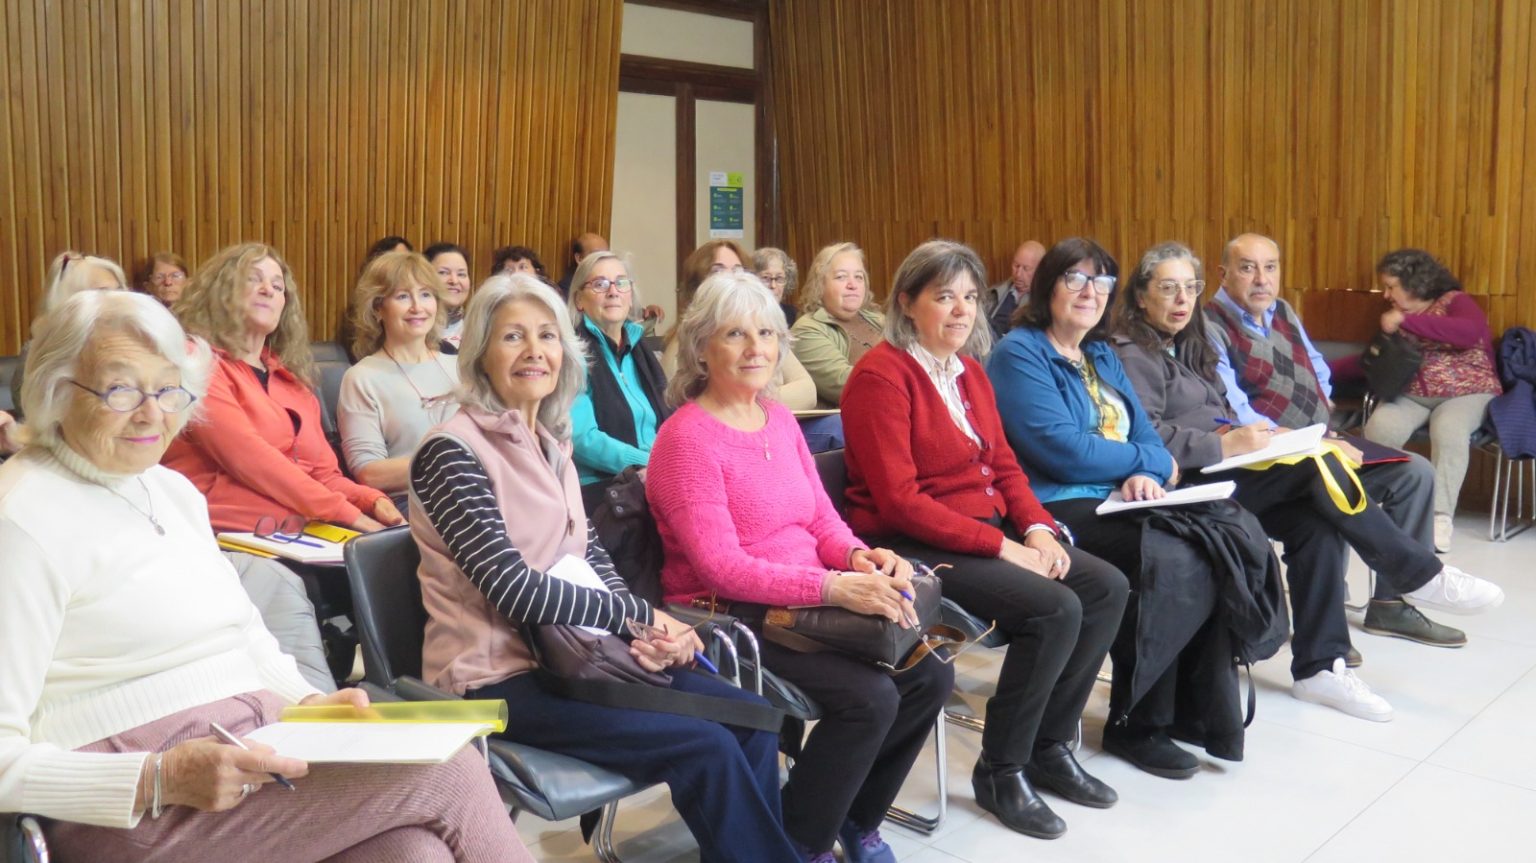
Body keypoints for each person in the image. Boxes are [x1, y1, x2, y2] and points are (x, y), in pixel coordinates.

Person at [1, 289, 531, 863]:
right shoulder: (22, 520)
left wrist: (306, 700)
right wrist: (155, 778)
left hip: (250, 750)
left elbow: (245, 636)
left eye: (168, 389)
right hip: (135, 800)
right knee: (449, 771)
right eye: (121, 388)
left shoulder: (171, 491)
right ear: (54, 391)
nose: (152, 413)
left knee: (412, 852)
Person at [408, 274, 796, 863]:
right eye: (513, 336)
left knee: (753, 716)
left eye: (547, 336)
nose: (535, 351)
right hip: (498, 679)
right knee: (707, 745)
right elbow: (514, 591)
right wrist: (638, 613)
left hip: (581, 653)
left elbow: (587, 556)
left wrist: (644, 632)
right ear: (481, 353)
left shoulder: (550, 444)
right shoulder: (449, 452)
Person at [1111, 242, 1503, 719]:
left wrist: (1263, 434)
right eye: (1168, 289)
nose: (1182, 299)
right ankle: (1415, 572)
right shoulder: (1133, 352)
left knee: (1313, 525)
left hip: (1230, 460)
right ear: (1140, 297)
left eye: (1189, 288)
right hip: (1190, 478)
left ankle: (1321, 667)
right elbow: (1145, 436)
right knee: (1317, 464)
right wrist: (1227, 443)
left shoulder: (1188, 341)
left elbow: (1228, 407)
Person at [649, 272, 952, 863]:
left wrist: (859, 555)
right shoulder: (686, 440)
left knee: (930, 677)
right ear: (701, 347)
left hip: (809, 602)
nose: (756, 348)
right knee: (869, 699)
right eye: (735, 334)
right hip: (727, 615)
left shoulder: (779, 420)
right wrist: (834, 586)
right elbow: (722, 568)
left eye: (766, 332)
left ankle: (853, 819)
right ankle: (798, 843)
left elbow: (820, 520)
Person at [842, 240, 1129, 839]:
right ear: (907, 303)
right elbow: (900, 502)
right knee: (1054, 609)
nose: (961, 311)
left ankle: (1049, 746)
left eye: (970, 297)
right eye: (943, 296)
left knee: (1106, 586)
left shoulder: (969, 370)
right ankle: (1002, 770)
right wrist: (1003, 546)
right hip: (911, 545)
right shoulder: (881, 376)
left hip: (983, 529)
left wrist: (1037, 528)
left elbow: (1003, 466)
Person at [988, 237, 1287, 778]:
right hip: (1058, 504)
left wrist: (1147, 469)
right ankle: (1135, 721)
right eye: (1075, 280)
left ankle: (1194, 717)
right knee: (1170, 559)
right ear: (1047, 286)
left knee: (1221, 541)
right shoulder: (1020, 352)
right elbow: (1060, 448)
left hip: (1118, 495)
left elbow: (1149, 435)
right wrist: (1138, 463)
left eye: (1101, 282)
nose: (1090, 292)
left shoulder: (1101, 352)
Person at [1206, 233, 1468, 640]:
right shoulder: (1208, 325)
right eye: (1247, 267)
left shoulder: (1284, 312)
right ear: (1222, 274)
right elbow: (1233, 408)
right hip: (1269, 457)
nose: (1261, 278)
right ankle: (1344, 625)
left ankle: (1390, 605)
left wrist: (1321, 421)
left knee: (1415, 472)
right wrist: (1311, 440)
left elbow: (1317, 368)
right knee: (1327, 497)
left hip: (1317, 440)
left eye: (1270, 267)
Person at [162, 242, 401, 533]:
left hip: (300, 526)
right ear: (219, 290)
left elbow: (324, 474)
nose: (268, 290)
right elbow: (249, 458)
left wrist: (370, 500)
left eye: (278, 286)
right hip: (223, 532)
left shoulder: (292, 383)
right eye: (253, 279)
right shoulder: (195, 361)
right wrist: (347, 514)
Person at [1353, 249, 1502, 550]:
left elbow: (1467, 332)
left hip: (1467, 393)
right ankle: (1379, 509)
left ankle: (1439, 517)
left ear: (1413, 282)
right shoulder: (1394, 319)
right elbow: (1371, 361)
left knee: (1448, 430)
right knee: (1381, 427)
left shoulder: (1454, 301)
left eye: (1391, 286)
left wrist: (1406, 323)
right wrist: (1317, 371)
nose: (1386, 295)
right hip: (1413, 395)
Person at [338, 250, 460, 500]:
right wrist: (451, 463)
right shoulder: (362, 378)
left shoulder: (461, 366)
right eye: (403, 296)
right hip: (415, 504)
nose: (418, 307)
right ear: (378, 308)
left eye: (426, 294)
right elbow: (369, 473)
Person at [567, 251, 673, 510]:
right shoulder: (572, 354)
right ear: (579, 299)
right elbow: (582, 439)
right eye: (600, 284)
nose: (613, 291)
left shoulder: (640, 350)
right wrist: (649, 462)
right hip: (605, 491)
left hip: (656, 476)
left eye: (621, 282)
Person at [669, 242, 820, 412]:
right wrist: (748, 403)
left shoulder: (761, 325)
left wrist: (751, 404)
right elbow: (681, 401)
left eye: (738, 270)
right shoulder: (685, 340)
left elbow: (808, 391)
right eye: (718, 271)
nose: (730, 277)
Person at [12, 251, 131, 417]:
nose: (120, 300)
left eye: (120, 291)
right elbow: (33, 414)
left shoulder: (131, 345)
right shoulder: (38, 353)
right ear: (72, 298)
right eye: (104, 292)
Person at [790, 242, 886, 405]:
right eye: (841, 277)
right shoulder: (806, 330)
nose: (852, 285)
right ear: (820, 284)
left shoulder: (879, 320)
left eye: (858, 277)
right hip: (847, 420)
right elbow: (848, 384)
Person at [984, 241, 1044, 340]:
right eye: (1016, 266)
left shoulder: (1045, 301)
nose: (1018, 274)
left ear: (1040, 270)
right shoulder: (992, 293)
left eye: (1026, 268)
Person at [424, 243, 472, 354]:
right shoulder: (414, 330)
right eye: (443, 273)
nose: (454, 281)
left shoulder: (481, 329)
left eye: (461, 274)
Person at [753, 246, 801, 325]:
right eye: (766, 278)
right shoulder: (743, 316)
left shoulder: (794, 316)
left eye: (779, 278)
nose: (773, 285)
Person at [557, 231, 609, 298]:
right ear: (579, 258)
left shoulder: (610, 285)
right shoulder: (564, 291)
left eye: (605, 255)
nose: (602, 260)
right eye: (596, 255)